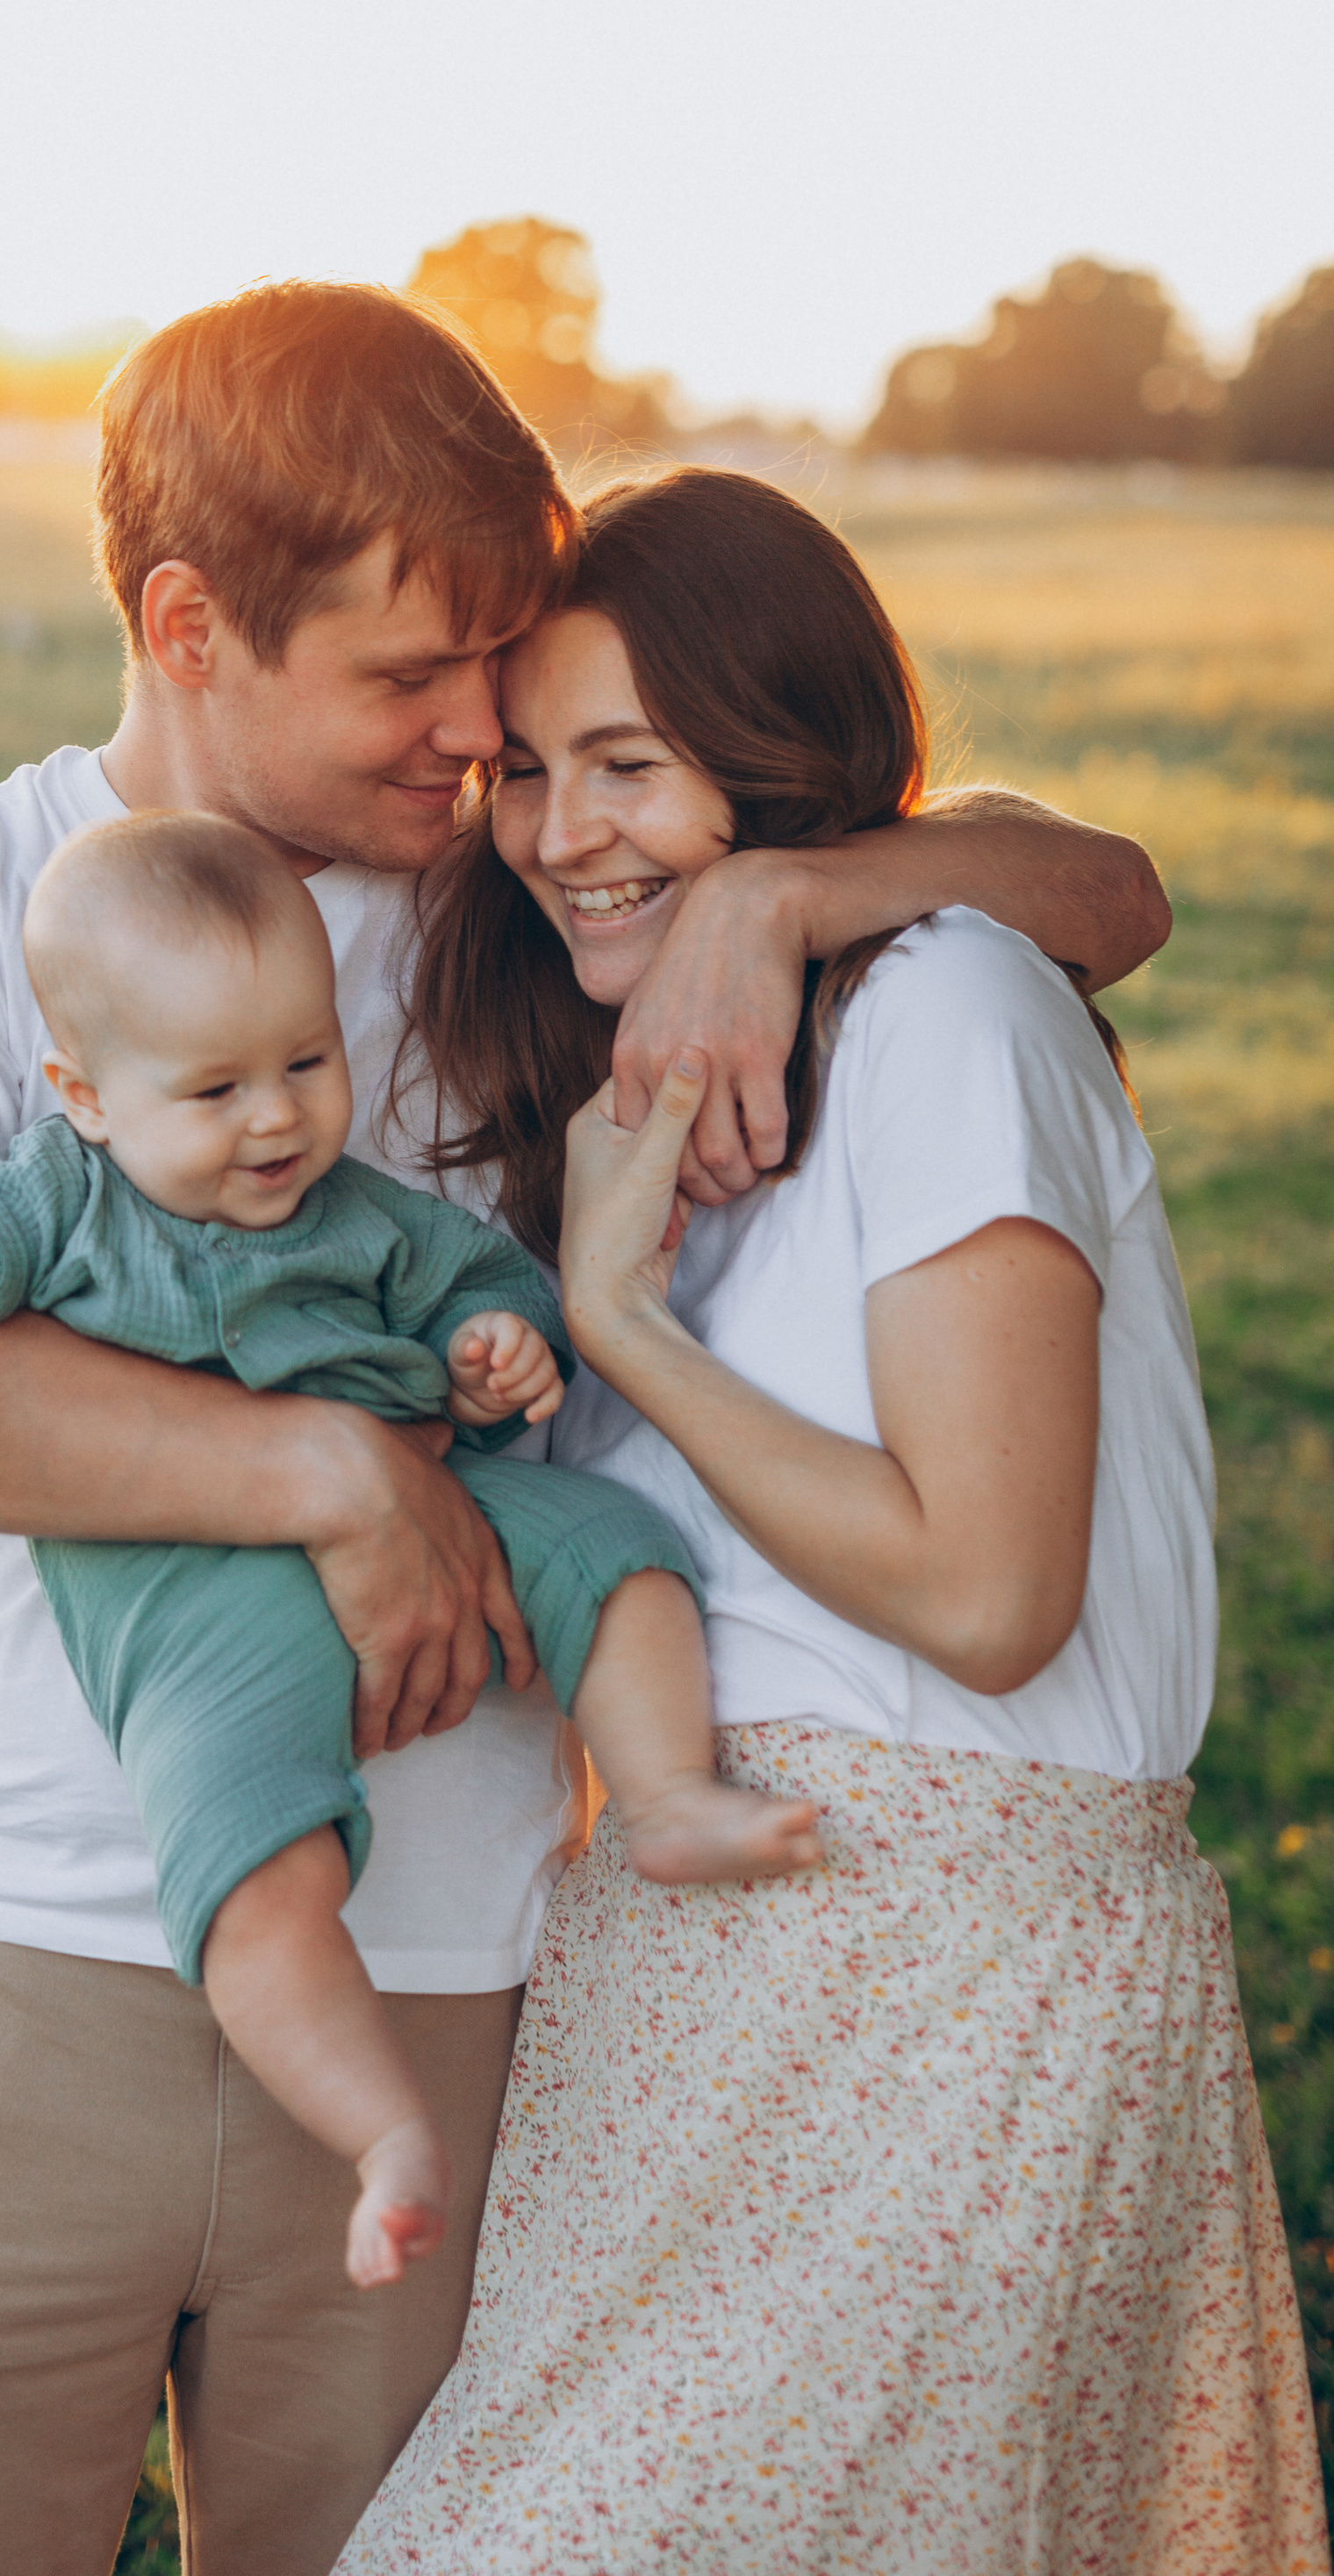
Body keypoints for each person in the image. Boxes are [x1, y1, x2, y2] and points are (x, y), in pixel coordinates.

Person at [0, 281, 1170, 2576]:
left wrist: (791, 892)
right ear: (188, 629)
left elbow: (1105, 893)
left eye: (493, 664)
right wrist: (333, 1477)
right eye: (412, 676)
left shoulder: (524, 893)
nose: (476, 729)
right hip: (12, 1953)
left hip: (448, 1980)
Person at [343, 464, 1329, 2575]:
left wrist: (622, 1317)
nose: (560, 833)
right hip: (680, 2001)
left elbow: (984, 1593)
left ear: (773, 760)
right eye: (525, 772)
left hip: (938, 1986)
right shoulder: (652, 1086)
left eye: (628, 764)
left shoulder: (943, 1004)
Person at [0, 811, 819, 2292]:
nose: (276, 1120)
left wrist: (490, 1351)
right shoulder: (51, 1194)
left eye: (307, 1064)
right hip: (198, 1603)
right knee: (260, 1878)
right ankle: (380, 2135)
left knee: (619, 1548)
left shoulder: (358, 1213)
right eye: (216, 1089)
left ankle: (666, 1799)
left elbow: (473, 1294)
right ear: (85, 1095)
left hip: (431, 1513)